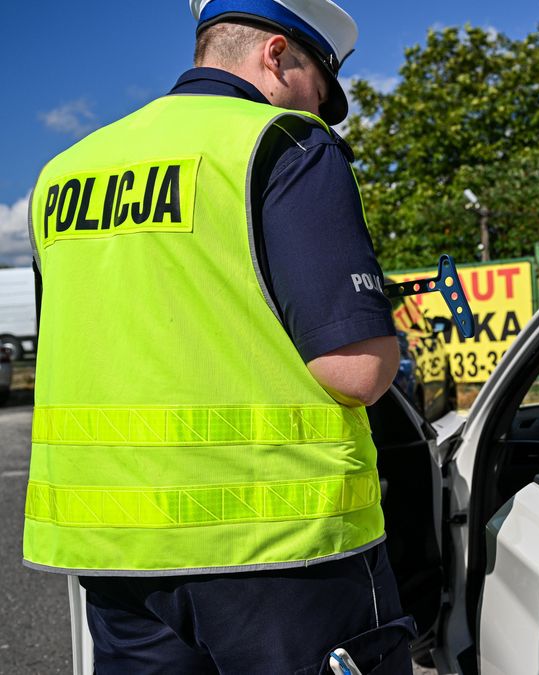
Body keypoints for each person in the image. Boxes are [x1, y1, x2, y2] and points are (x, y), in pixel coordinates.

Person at [23, 1, 415, 671]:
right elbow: (356, 369)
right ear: (277, 54)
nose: (317, 113)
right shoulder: (283, 142)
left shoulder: (62, 174)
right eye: (320, 92)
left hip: (116, 561)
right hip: (284, 559)